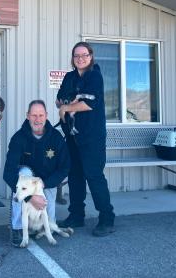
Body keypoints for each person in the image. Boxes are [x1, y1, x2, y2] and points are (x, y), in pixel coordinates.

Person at [56, 41, 116, 237]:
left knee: (94, 175)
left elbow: (89, 104)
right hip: (72, 136)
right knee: (74, 176)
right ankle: (76, 215)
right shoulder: (69, 77)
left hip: (92, 137)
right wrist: (71, 101)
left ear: (91, 57)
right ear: (73, 59)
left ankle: (107, 218)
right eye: (76, 55)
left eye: (84, 55)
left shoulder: (95, 76)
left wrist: (69, 106)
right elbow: (60, 99)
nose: (80, 58)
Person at [3, 100, 70, 247]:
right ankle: (17, 227)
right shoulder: (18, 138)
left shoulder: (56, 138)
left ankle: (36, 228)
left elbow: (65, 167)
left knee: (46, 225)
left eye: (40, 115)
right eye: (34, 115)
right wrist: (29, 197)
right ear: (27, 116)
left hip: (46, 184)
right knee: (24, 173)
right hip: (27, 186)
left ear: (46, 116)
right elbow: (8, 173)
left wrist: (45, 184)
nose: (37, 119)